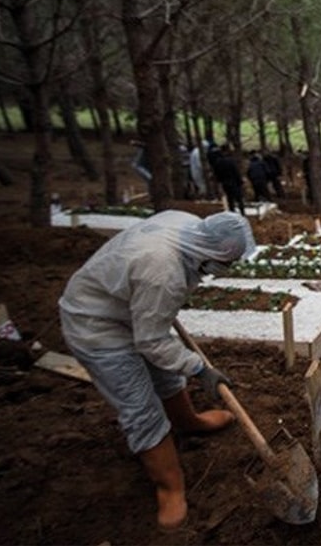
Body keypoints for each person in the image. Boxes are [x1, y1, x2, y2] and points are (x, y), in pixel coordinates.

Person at [58, 210, 257, 530]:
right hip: (96, 325)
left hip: (126, 304)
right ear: (211, 253)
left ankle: (187, 421)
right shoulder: (163, 273)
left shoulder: (187, 223)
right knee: (141, 407)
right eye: (228, 263)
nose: (228, 269)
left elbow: (153, 334)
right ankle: (170, 487)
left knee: (166, 373)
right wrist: (199, 369)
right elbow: (150, 342)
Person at [212, 145, 245, 216]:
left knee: (230, 199)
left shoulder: (218, 162)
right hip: (234, 182)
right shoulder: (231, 161)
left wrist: (220, 182)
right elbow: (236, 172)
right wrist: (240, 181)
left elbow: (217, 174)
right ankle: (242, 213)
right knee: (239, 199)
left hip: (225, 183)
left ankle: (233, 213)